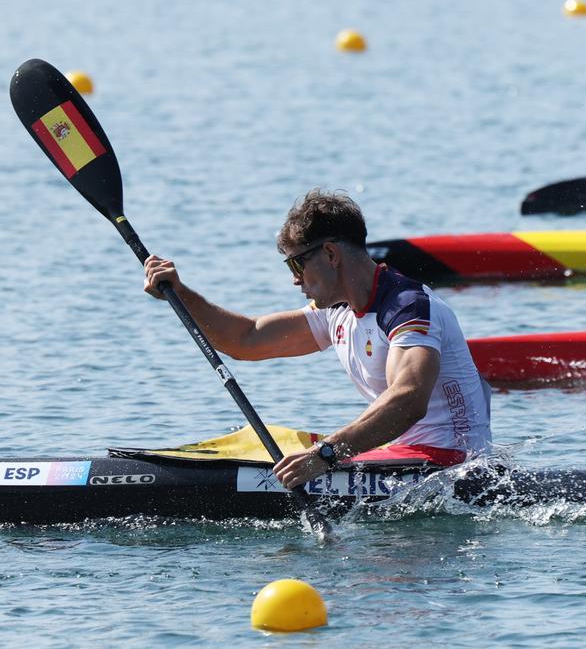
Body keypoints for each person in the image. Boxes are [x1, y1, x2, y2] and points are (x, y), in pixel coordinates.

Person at [143, 189, 492, 489]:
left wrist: (325, 454)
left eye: (296, 265)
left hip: (450, 464)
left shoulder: (407, 307)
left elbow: (409, 399)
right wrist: (182, 293)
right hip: (400, 456)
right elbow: (246, 340)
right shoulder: (337, 310)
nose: (296, 281)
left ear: (330, 254)